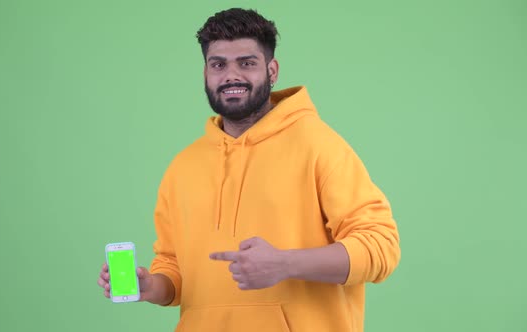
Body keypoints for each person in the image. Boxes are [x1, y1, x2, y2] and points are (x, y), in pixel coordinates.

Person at [98, 8, 400, 331]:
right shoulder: (182, 167)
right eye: (218, 64)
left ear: (272, 71)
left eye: (247, 63)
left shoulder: (319, 146)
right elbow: (174, 269)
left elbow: (381, 245)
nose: (231, 76)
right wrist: (152, 287)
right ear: (205, 74)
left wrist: (285, 264)